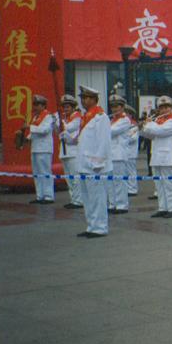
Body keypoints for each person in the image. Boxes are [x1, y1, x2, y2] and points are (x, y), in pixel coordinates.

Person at [76, 86, 112, 238]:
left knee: (97, 198)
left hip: (95, 166)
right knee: (87, 198)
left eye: (88, 98)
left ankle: (100, 227)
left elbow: (104, 142)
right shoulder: (86, 117)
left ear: (95, 100)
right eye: (83, 98)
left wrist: (98, 163)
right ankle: (91, 225)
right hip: (84, 164)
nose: (84, 101)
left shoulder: (100, 117)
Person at [142, 96, 172, 218]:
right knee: (159, 184)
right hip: (156, 156)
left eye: (167, 107)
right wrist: (145, 126)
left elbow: (160, 131)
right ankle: (162, 208)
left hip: (168, 157)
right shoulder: (158, 121)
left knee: (169, 184)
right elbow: (148, 135)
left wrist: (149, 124)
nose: (164, 110)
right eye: (162, 108)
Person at [55, 94, 82, 209]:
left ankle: (78, 201)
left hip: (74, 152)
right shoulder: (65, 119)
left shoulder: (77, 117)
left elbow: (68, 128)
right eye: (64, 107)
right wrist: (55, 123)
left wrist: (59, 121)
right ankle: (73, 199)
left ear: (73, 107)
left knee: (76, 178)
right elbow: (58, 132)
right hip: (65, 152)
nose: (65, 109)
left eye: (68, 107)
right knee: (69, 178)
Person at [27, 95, 55, 204]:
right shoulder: (35, 117)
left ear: (43, 106)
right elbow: (33, 132)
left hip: (44, 149)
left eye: (37, 104)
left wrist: (29, 127)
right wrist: (27, 138)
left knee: (45, 172)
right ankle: (40, 195)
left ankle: (48, 196)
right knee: (36, 173)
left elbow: (44, 130)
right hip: (35, 148)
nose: (35, 107)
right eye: (34, 104)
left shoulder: (49, 116)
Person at [108, 94, 131, 214]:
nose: (114, 109)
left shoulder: (124, 120)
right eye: (113, 107)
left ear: (122, 107)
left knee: (119, 181)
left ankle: (122, 205)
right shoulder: (112, 120)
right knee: (110, 182)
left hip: (119, 154)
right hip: (110, 155)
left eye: (117, 106)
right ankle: (113, 204)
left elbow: (111, 132)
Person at [124, 105, 140, 197]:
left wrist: (122, 138)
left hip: (131, 152)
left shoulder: (133, 125)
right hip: (124, 152)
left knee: (131, 171)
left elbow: (133, 138)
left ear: (130, 115)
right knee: (125, 171)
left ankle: (132, 189)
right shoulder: (124, 124)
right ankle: (127, 188)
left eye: (126, 113)